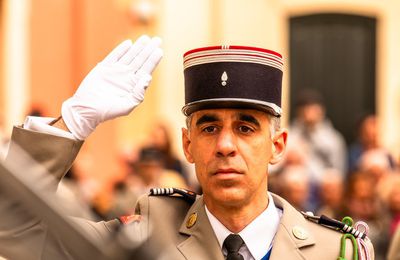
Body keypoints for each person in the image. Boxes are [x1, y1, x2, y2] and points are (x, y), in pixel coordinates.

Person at [0, 35, 374, 259]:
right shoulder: (146, 235)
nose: (226, 145)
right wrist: (73, 122)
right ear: (187, 144)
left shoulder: (337, 252)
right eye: (209, 127)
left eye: (246, 128)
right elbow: (14, 232)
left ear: (277, 146)